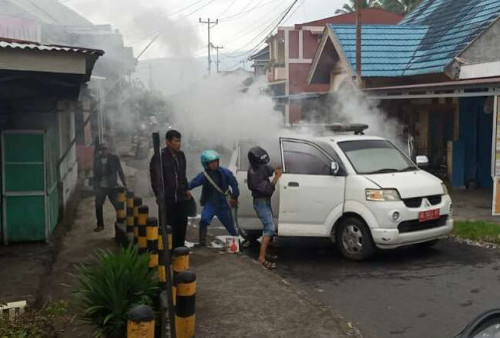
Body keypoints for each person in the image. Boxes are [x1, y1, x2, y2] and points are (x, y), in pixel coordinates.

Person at [188, 150, 239, 247]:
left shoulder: (226, 172)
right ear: (205, 164)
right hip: (210, 203)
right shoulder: (204, 175)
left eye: (215, 161)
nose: (214, 164)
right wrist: (185, 189)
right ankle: (202, 242)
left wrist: (234, 197)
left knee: (231, 227)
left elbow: (234, 184)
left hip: (223, 204)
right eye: (211, 162)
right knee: (204, 220)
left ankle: (237, 245)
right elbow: (193, 183)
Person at [150, 130, 192, 248]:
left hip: (181, 197)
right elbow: (154, 178)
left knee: (182, 224)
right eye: (176, 141)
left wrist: (186, 189)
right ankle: (168, 251)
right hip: (167, 199)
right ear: (168, 142)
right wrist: (159, 195)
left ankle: (180, 249)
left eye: (179, 141)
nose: (179, 144)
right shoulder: (160, 157)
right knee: (168, 225)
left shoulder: (181, 155)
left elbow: (182, 175)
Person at [247, 146, 282, 270]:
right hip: (260, 202)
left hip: (265, 201)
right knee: (269, 228)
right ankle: (261, 259)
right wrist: (277, 178)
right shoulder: (253, 173)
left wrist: (276, 168)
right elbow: (267, 190)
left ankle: (264, 251)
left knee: (268, 226)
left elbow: (268, 169)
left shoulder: (260, 166)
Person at [93, 143, 127, 232]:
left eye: (105, 149)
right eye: (102, 150)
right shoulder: (97, 159)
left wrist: (124, 183)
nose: (104, 151)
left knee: (117, 204)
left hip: (112, 186)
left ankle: (121, 220)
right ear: (100, 151)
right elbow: (95, 173)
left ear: (108, 150)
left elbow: (120, 171)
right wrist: (95, 186)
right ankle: (100, 225)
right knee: (98, 205)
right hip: (101, 187)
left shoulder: (114, 158)